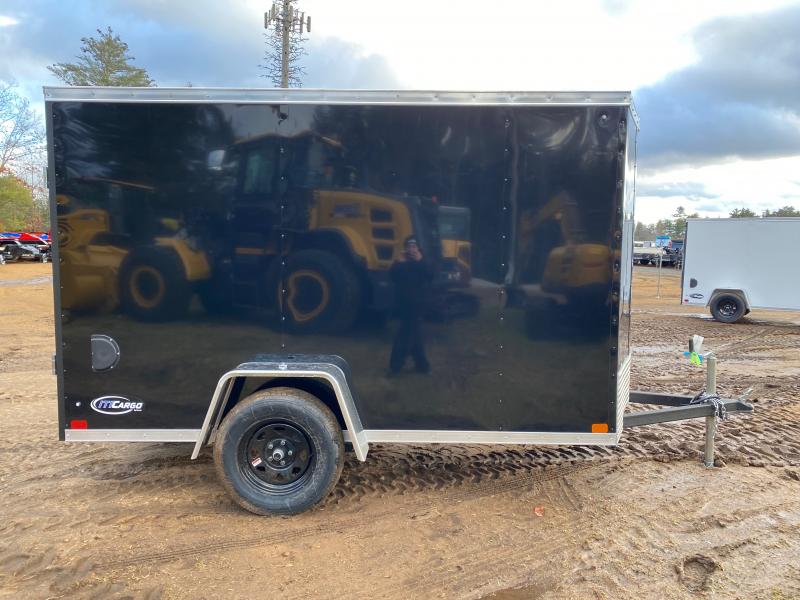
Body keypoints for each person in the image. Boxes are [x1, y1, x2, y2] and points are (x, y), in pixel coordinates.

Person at [388, 236, 432, 375]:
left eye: (414, 246)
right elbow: (392, 276)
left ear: (418, 248)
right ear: (405, 247)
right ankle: (422, 365)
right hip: (403, 304)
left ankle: (395, 366)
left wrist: (420, 261)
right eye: (409, 246)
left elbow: (430, 275)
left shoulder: (423, 261)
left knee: (405, 334)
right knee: (414, 334)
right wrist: (399, 262)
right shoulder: (401, 263)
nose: (411, 249)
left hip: (418, 304)